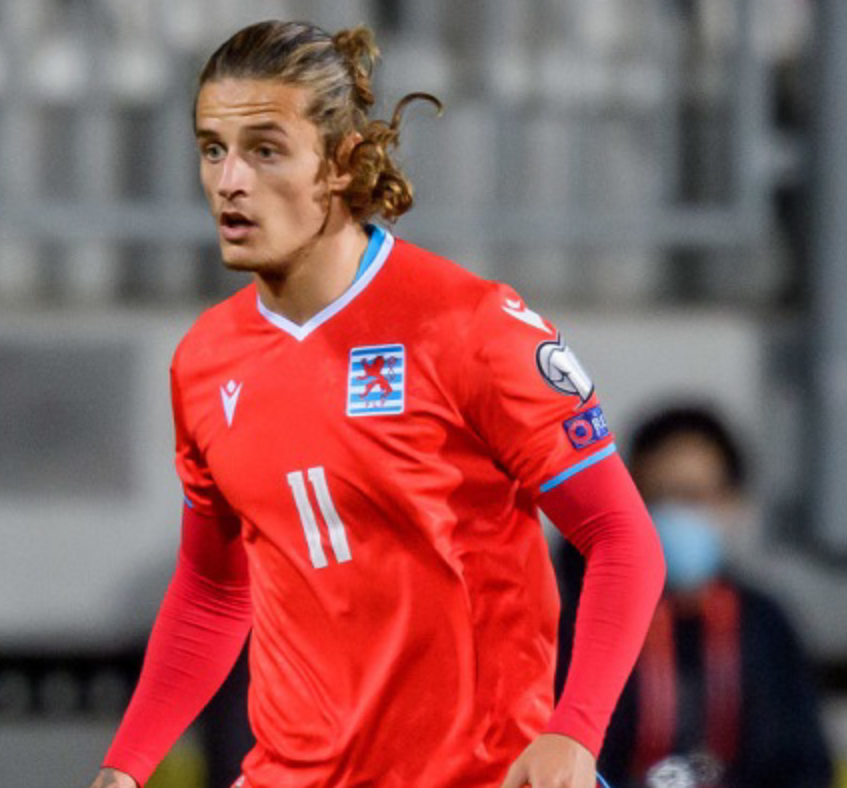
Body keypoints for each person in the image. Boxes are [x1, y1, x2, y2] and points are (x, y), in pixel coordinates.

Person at [91, 20, 666, 788]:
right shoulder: (204, 361)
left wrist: (574, 732)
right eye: (212, 149)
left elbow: (622, 539)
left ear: (343, 162)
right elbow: (213, 591)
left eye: (265, 150)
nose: (230, 181)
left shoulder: (469, 326)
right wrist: (126, 767)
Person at [555, 405, 835, 787]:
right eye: (658, 499)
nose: (676, 516)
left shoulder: (763, 624)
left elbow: (804, 765)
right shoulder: (588, 619)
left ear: (733, 505)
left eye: (694, 498)